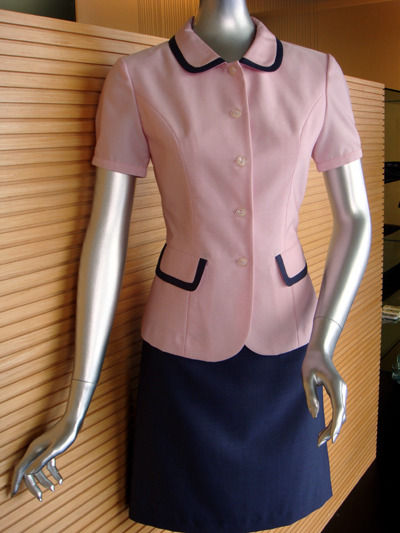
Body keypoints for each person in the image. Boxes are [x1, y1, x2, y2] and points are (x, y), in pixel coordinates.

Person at [11, 1, 371, 531]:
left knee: (283, 506)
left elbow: (356, 218)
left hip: (293, 347)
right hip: (184, 349)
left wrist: (325, 340)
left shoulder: (318, 74)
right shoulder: (138, 78)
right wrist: (76, 402)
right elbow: (106, 233)